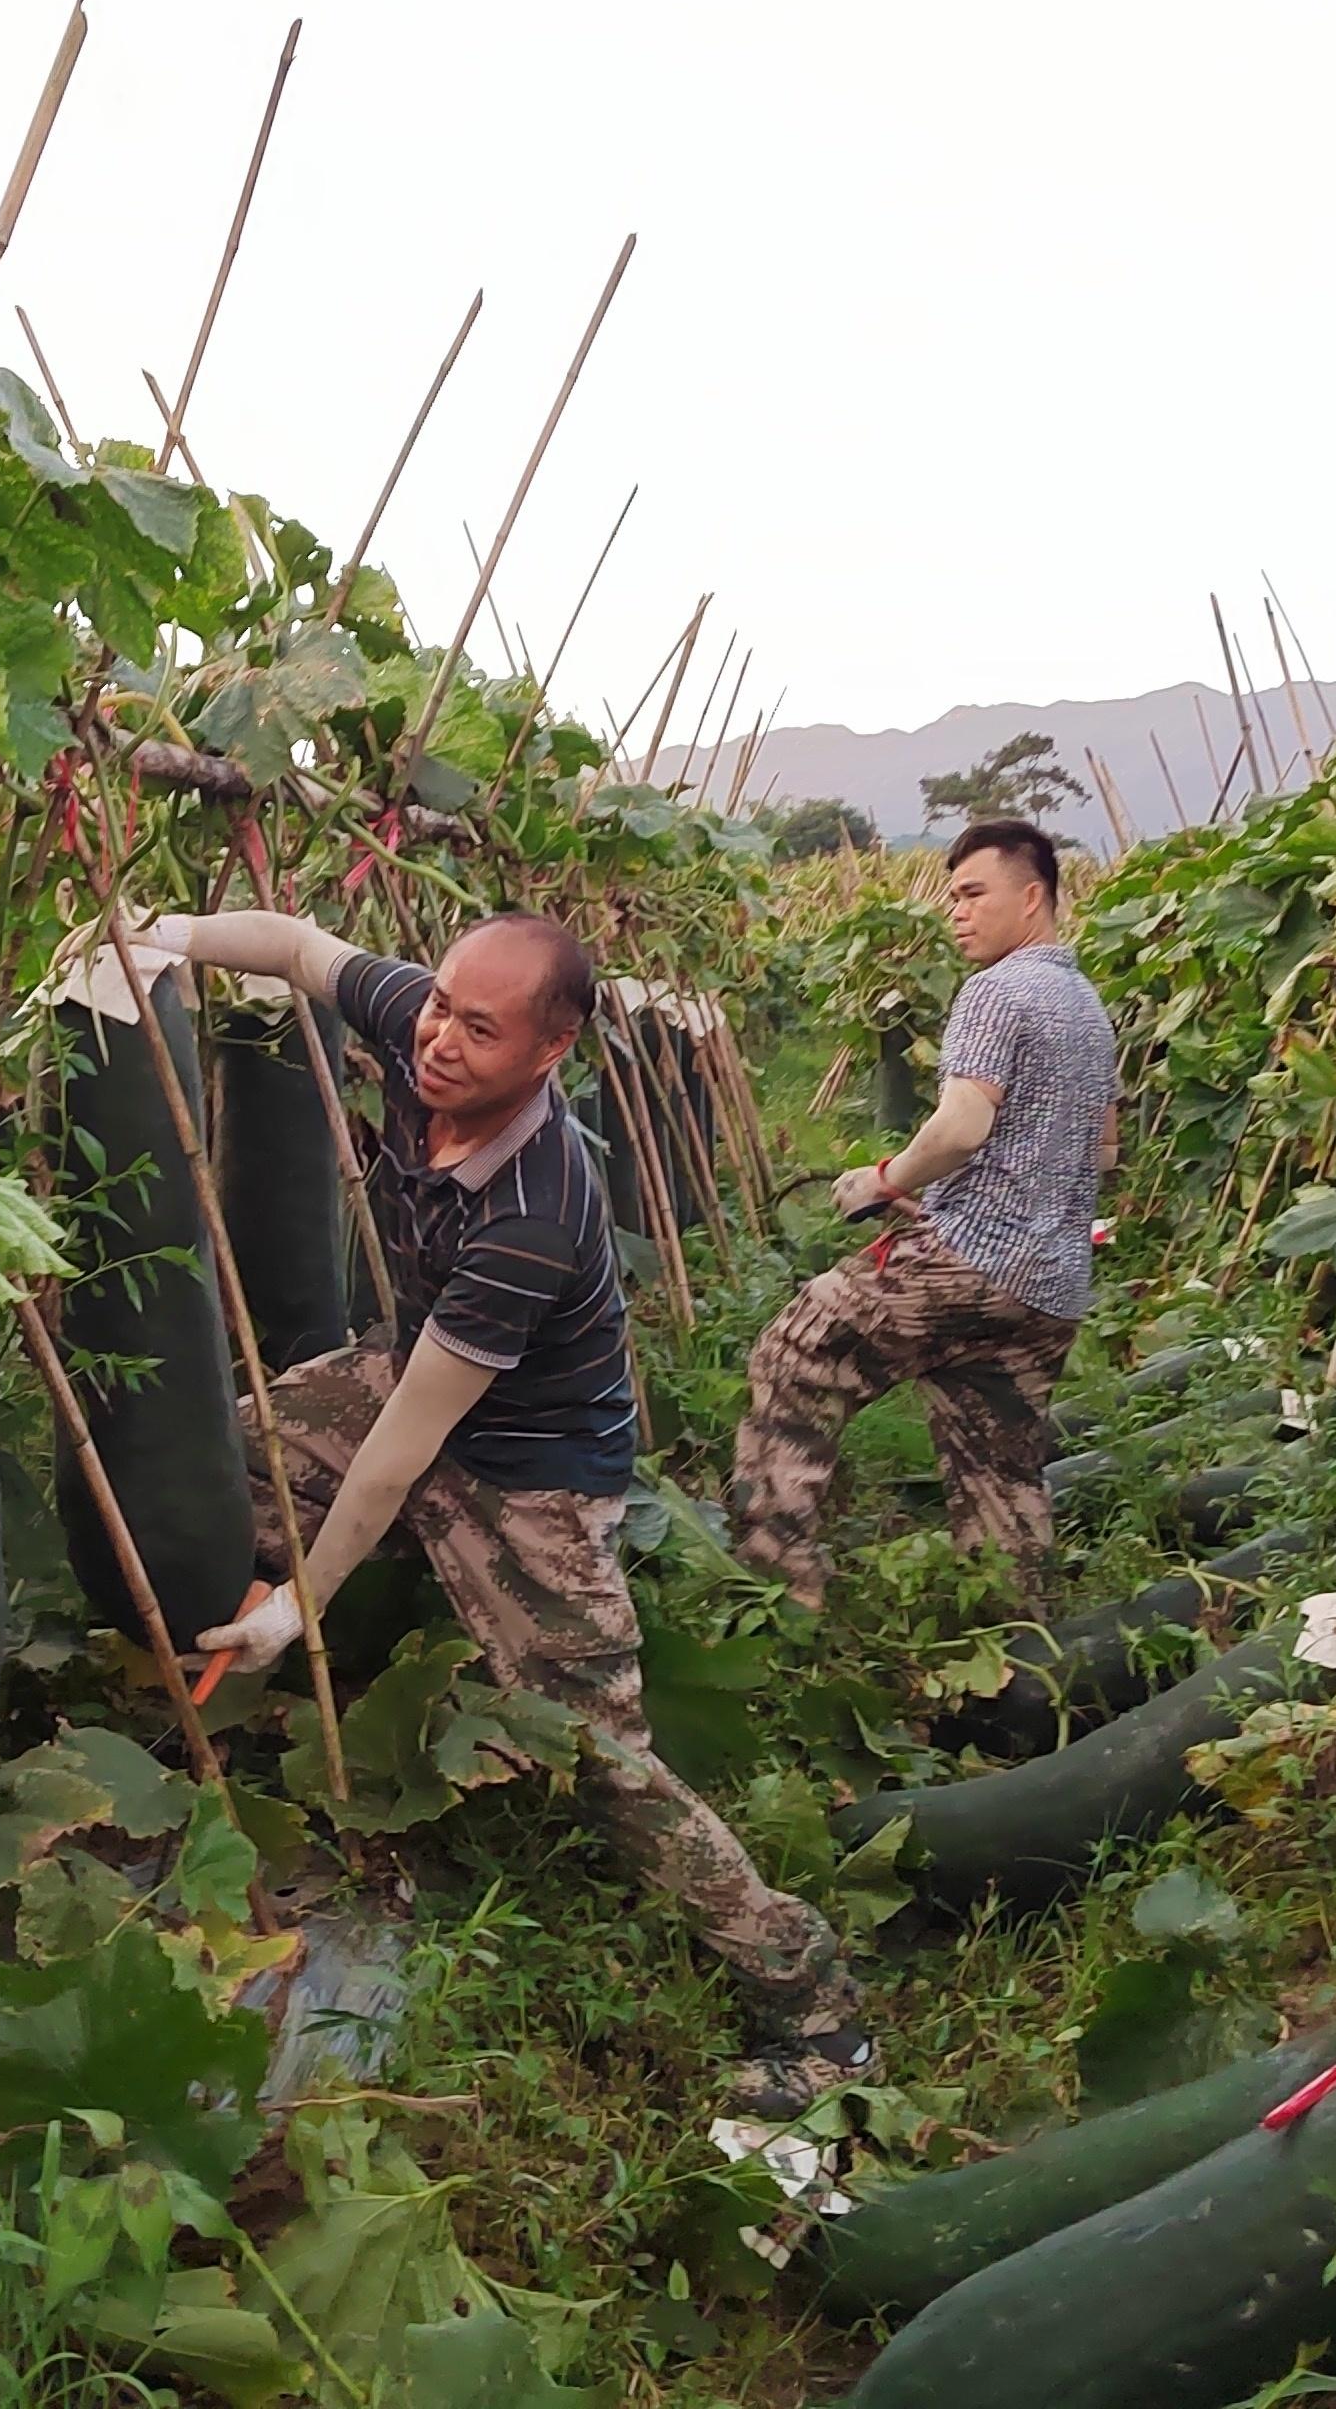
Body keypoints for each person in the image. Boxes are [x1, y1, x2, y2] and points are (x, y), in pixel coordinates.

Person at [135, 901, 875, 2115]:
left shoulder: (535, 1207)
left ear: (548, 1052)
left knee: (598, 1756)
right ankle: (247, 1705)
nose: (438, 1040)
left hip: (527, 1469)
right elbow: (298, 946)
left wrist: (305, 1602)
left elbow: (406, 1447)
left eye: (478, 1030)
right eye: (437, 1006)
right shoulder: (421, 1018)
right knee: (233, 1458)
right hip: (418, 1368)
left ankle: (814, 2009)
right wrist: (156, 929)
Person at [726, 816, 1119, 1609]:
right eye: (951, 895)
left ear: (1033, 896)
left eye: (975, 893)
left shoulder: (997, 989)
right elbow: (1102, 1151)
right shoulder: (1086, 1006)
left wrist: (882, 1178)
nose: (957, 911)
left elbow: (962, 1127)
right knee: (999, 1467)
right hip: (1050, 1287)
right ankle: (1021, 1651)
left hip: (967, 1262)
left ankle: (778, 1587)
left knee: (795, 1354)